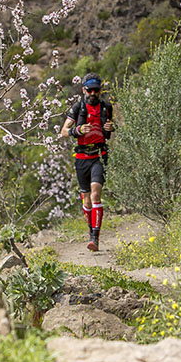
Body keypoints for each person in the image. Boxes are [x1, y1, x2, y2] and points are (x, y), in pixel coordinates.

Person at [58, 72, 115, 251]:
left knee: (96, 193)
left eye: (96, 90)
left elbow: (110, 129)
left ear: (100, 91)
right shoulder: (78, 107)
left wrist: (111, 127)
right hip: (82, 157)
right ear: (84, 90)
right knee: (87, 200)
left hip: (99, 155)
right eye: (89, 90)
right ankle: (91, 231)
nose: (92, 94)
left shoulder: (106, 107)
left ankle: (95, 237)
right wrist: (78, 130)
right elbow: (63, 131)